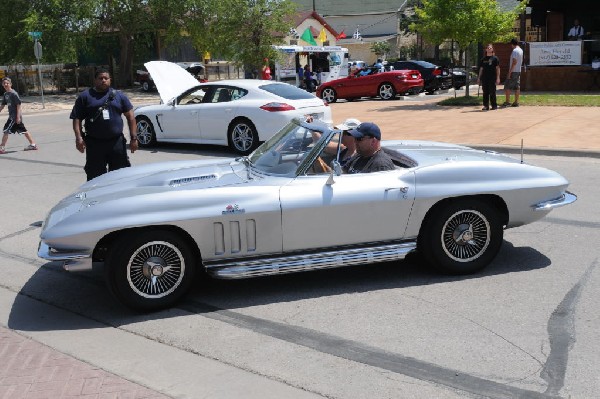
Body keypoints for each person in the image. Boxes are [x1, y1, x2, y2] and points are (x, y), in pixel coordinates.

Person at [70, 68, 137, 181]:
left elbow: (130, 117)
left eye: (106, 78)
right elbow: (77, 118)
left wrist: (134, 138)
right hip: (94, 144)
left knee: (120, 176)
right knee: (95, 177)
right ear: (95, 80)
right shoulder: (85, 96)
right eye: (100, 78)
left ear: (110, 80)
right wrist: (79, 138)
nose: (103, 80)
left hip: (116, 143)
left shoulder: (119, 96)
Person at [0, 77, 38, 154]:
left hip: (14, 117)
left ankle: (2, 147)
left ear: (10, 84)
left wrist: (18, 117)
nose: (5, 84)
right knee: (24, 131)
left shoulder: (14, 93)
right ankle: (33, 145)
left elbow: (18, 105)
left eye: (7, 83)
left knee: (6, 131)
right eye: (4, 83)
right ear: (2, 84)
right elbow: (3, 105)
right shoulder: (5, 94)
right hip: (12, 117)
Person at [477, 44, 501, 111]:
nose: (489, 49)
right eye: (488, 48)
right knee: (485, 92)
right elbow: (481, 69)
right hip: (484, 78)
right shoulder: (483, 59)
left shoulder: (495, 58)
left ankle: (494, 105)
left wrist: (498, 78)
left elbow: (498, 68)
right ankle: (486, 106)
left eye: (490, 48)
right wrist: (479, 78)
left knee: (492, 91)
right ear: (486, 49)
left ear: (492, 49)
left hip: (492, 77)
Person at [501, 38, 523, 108]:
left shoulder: (515, 51)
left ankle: (507, 102)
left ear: (512, 44)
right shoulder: (520, 50)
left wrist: (509, 72)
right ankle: (516, 102)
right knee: (517, 86)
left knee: (507, 86)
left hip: (513, 71)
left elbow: (514, 62)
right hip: (518, 70)